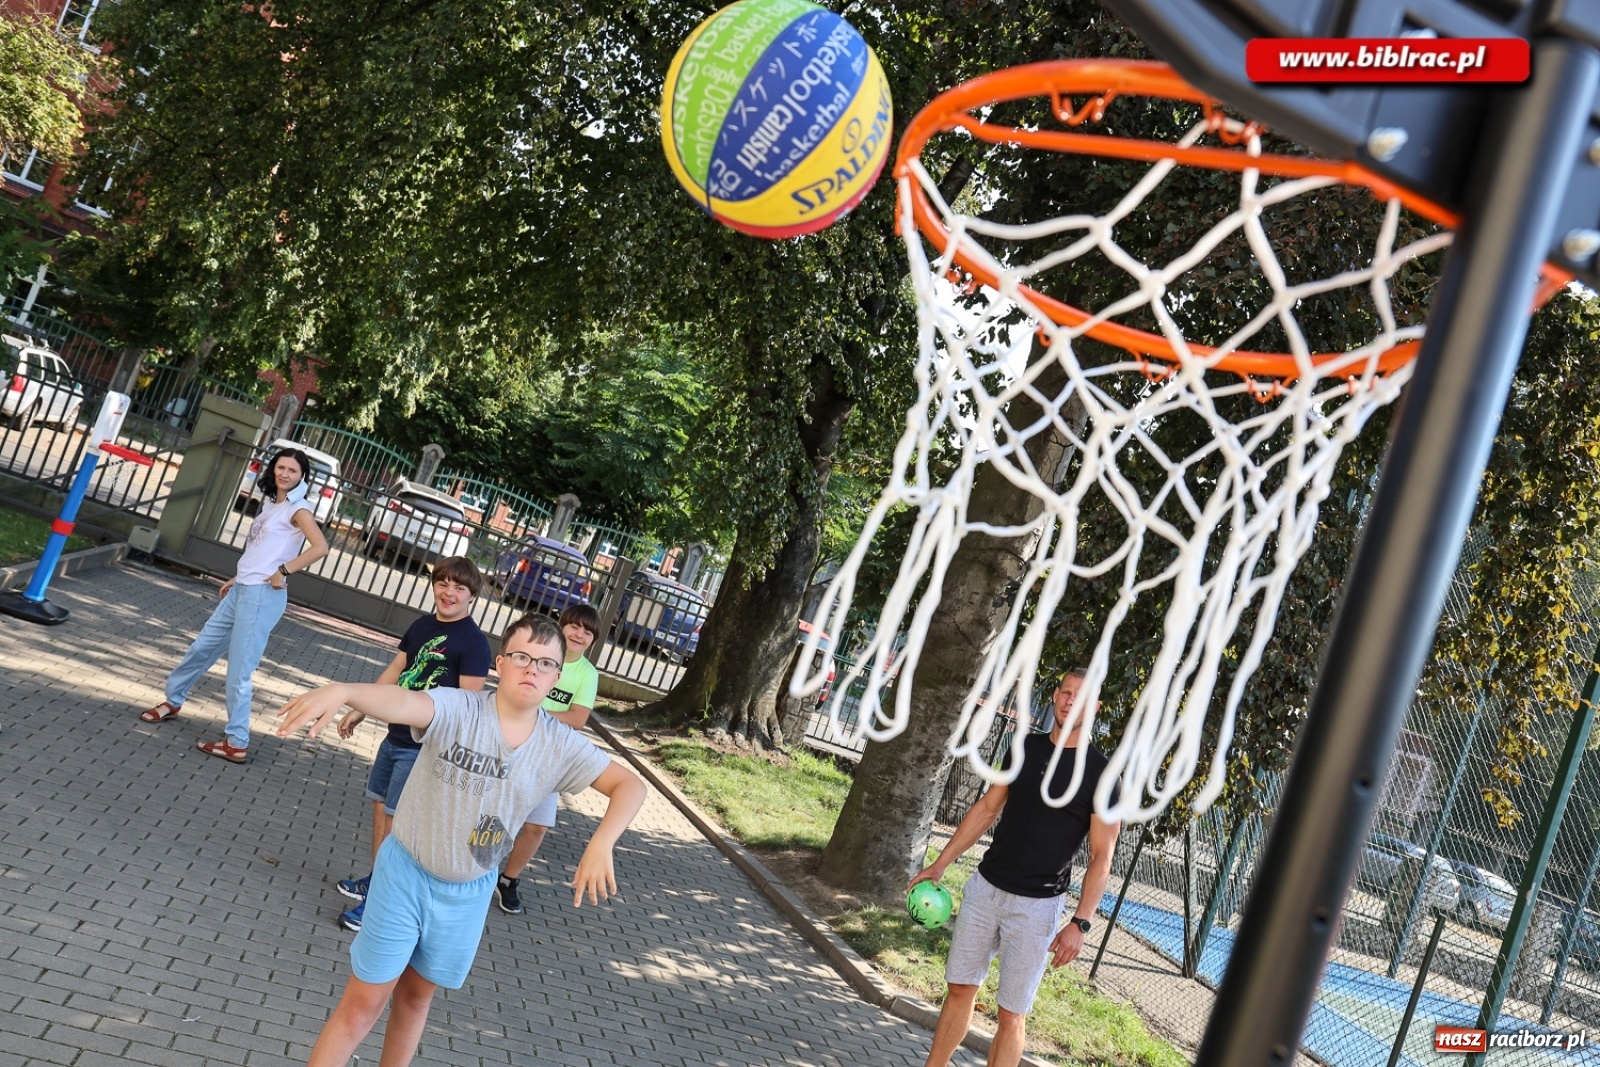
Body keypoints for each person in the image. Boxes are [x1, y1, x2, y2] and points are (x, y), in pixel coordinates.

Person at [275, 613, 647, 1067]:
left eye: (546, 663)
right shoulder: (459, 708)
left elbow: (631, 787)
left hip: (467, 893)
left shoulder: (559, 744)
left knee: (414, 1000)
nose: (533, 669)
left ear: (557, 675)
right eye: (522, 657)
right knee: (365, 1002)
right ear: (501, 662)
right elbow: (403, 702)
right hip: (405, 875)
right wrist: (345, 691)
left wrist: (602, 842)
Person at [911, 668, 1122, 1067]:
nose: (1069, 700)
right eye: (1065, 691)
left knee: (1011, 1014)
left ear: (1094, 708)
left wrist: (1081, 923)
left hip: (1037, 907)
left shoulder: (1103, 775)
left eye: (1080, 696)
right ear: (1055, 697)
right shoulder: (1024, 747)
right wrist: (940, 864)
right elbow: (988, 808)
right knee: (959, 988)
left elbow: (1102, 856)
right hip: (986, 889)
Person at [332, 556, 492, 932]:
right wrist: (362, 708)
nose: (448, 592)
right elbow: (396, 670)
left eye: (459, 588)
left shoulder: (473, 643)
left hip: (423, 748)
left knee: (395, 825)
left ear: (472, 596)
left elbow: (469, 707)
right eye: (443, 583)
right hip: (394, 736)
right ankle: (377, 879)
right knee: (379, 810)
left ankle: (380, 904)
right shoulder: (422, 626)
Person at [140, 446, 329, 764]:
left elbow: (320, 547)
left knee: (239, 671)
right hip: (243, 588)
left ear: (302, 476)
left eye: (293, 471)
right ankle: (173, 701)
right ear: (273, 470)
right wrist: (236, 577)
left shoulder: (298, 509)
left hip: (261, 597)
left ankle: (237, 741)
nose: (285, 474)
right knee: (202, 647)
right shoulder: (273, 503)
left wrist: (283, 572)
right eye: (280, 468)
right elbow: (262, 550)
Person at [494, 602, 601, 915]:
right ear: (562, 626)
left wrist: (534, 712)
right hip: (509, 745)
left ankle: (508, 879)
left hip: (550, 757)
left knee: (537, 826)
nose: (579, 634)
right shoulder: (538, 654)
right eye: (574, 626)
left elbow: (578, 717)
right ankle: (473, 869)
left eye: (587, 631)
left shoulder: (587, 674)